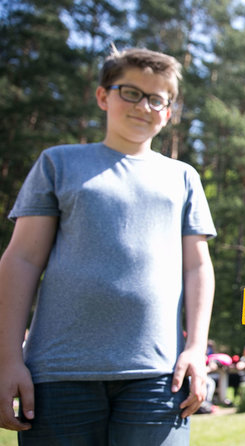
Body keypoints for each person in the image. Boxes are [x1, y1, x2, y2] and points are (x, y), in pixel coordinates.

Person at [0, 46, 217, 444]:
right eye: (131, 92)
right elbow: (22, 260)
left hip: (159, 375)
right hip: (58, 374)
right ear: (103, 96)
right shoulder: (58, 164)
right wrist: (7, 358)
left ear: (168, 112)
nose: (144, 106)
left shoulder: (183, 177)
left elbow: (197, 267)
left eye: (157, 99)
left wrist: (196, 348)